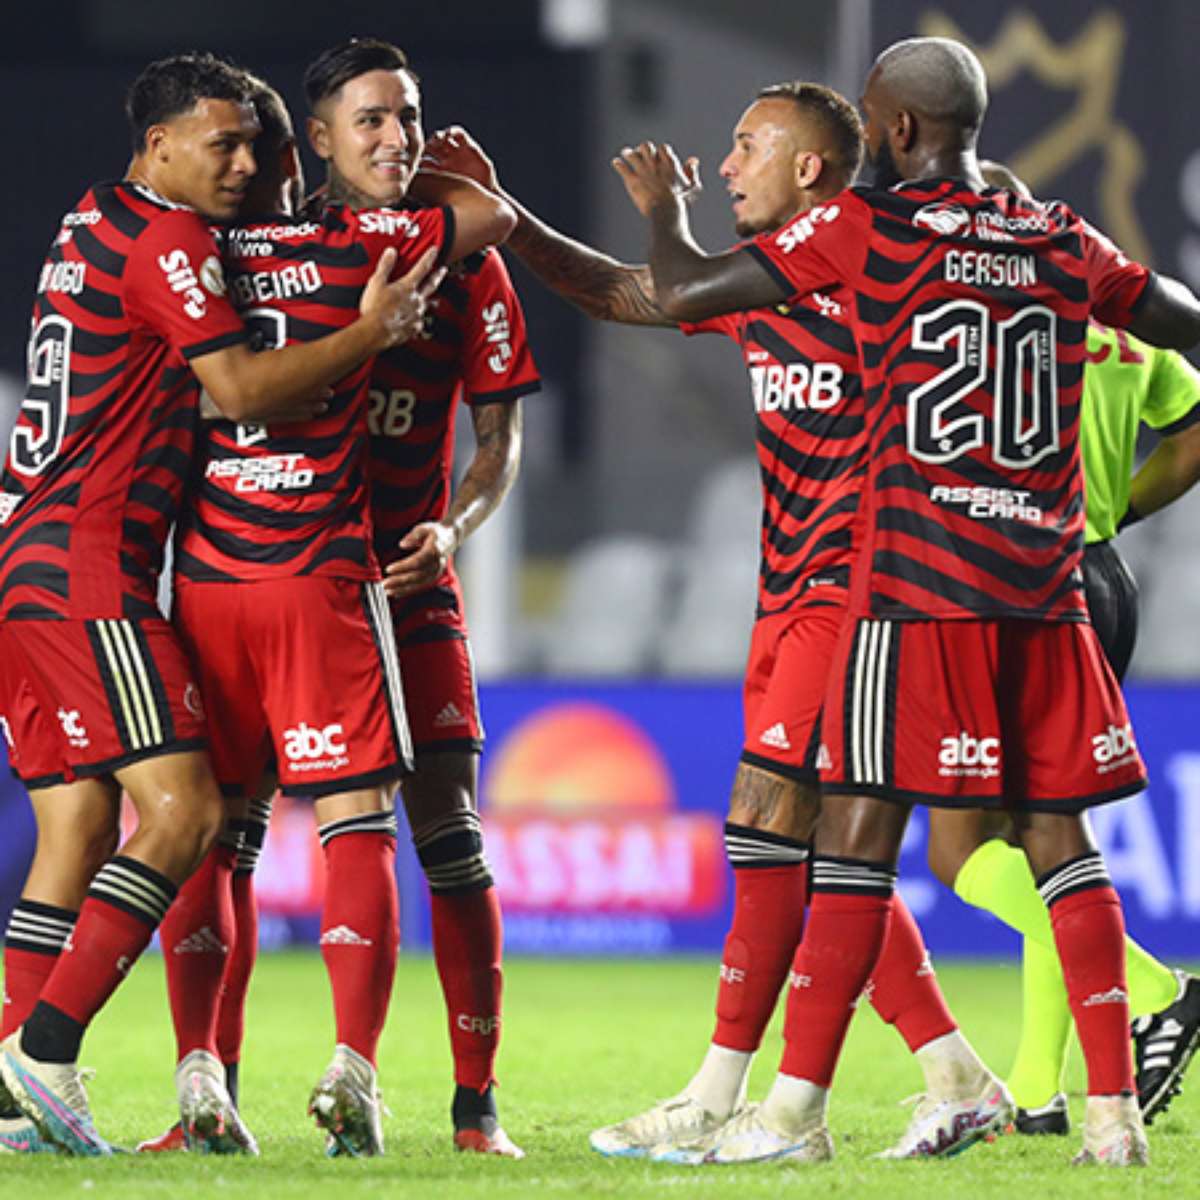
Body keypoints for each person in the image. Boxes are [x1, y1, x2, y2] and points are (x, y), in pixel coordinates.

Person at [614, 36, 1200, 1167]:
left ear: (891, 132)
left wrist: (656, 210)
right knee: (1060, 846)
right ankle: (1113, 1123)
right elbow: (1173, 310)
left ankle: (791, 1117)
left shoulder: (868, 230)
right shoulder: (1060, 237)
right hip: (1044, 591)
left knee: (855, 841)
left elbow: (683, 289)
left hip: (915, 588)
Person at [425, 86, 1010, 1162]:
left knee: (768, 836)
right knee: (830, 855)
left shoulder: (871, 270)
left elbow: (672, 276)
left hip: (859, 592)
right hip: (787, 593)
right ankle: (953, 1073)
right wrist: (509, 216)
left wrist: (659, 211)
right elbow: (622, 292)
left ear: (811, 171)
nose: (725, 162)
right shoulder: (769, 279)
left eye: (748, 147)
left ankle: (727, 1093)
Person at [0, 52, 433, 1157]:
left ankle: (11, 1088)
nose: (242, 166)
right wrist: (370, 333)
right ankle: (43, 1053)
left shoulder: (91, 215)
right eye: (221, 144)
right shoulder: (170, 238)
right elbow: (235, 386)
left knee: (77, 826)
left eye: (254, 146)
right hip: (89, 567)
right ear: (156, 148)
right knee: (187, 813)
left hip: (26, 562)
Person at [138, 38, 538, 1159]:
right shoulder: (262, 245)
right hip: (289, 575)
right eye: (369, 121)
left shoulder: (461, 269)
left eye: (408, 118)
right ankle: (213, 1093)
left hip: (400, 585)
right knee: (229, 837)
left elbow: (500, 437)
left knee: (449, 834)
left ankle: (476, 1108)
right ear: (316, 140)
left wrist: (451, 528)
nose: (395, 140)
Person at [924, 161, 1200, 1136]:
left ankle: (1156, 985)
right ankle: (1039, 1094)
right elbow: (1194, 432)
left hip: (1020, 583)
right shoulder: (1124, 325)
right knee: (1052, 842)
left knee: (960, 847)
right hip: (1103, 573)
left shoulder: (1007, 322)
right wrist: (1117, 503)